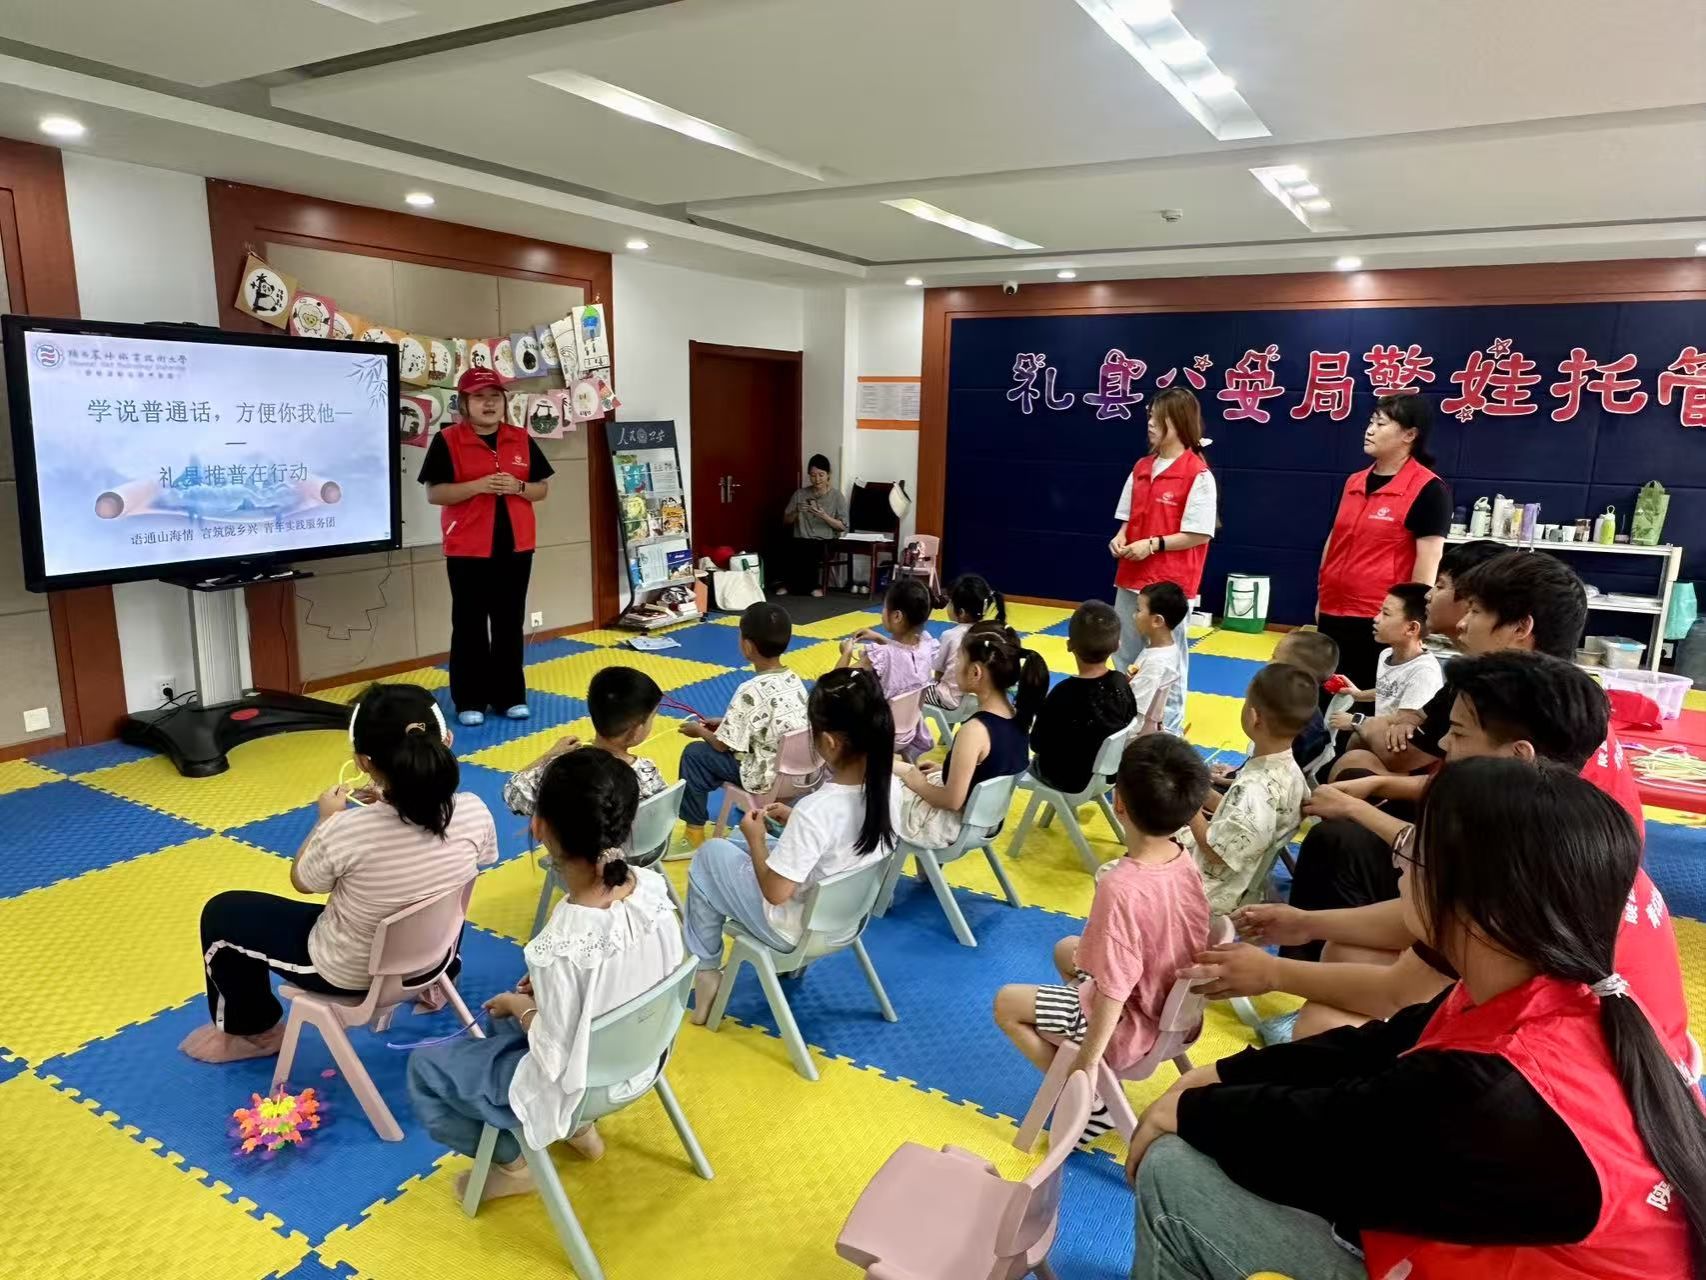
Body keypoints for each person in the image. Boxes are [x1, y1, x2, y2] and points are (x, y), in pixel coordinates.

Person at [1128, 760, 1704, 1280]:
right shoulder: (1554, 989)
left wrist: (1191, 1108)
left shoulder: (1495, 1094)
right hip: (1491, 1232)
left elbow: (1327, 1144)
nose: (1400, 868)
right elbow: (1375, 1047)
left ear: (1481, 908)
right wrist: (1218, 1075)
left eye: (1416, 855)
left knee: (1176, 1171)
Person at [1202, 651, 1691, 1067]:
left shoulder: (1514, 865)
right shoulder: (1561, 819)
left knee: (1324, 1030)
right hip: (1634, 1051)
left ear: (1519, 754)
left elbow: (1399, 989)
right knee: (1345, 956)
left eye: (1457, 733)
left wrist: (1273, 974)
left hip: (1581, 1074)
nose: (1441, 745)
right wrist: (1306, 923)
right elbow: (1427, 921)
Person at [407, 749, 684, 1200]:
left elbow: (555, 1057)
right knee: (506, 1019)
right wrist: (536, 1000)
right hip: (647, 1060)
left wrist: (522, 1006)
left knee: (426, 1069)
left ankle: (517, 1166)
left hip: (582, 1088)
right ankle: (582, 1132)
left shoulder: (561, 944)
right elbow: (630, 975)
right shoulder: (652, 891)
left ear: (539, 827)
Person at [183, 684, 497, 1063]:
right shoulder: (474, 810)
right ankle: (436, 983)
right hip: (435, 957)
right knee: (441, 884)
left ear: (363, 762)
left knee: (223, 913)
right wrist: (391, 800)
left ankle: (254, 1033)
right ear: (446, 740)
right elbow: (467, 856)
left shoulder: (347, 831)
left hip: (349, 972)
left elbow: (303, 881)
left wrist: (326, 820)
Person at [993, 734, 1210, 1146]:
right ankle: (1090, 1073)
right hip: (1177, 1013)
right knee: (1065, 949)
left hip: (1131, 1024)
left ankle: (1094, 1100)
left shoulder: (1120, 886)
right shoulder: (1183, 859)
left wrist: (1087, 1064)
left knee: (1006, 1004)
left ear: (1118, 802)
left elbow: (1112, 991)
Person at [684, 668, 902, 1020]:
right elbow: (841, 844)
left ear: (829, 742)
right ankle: (715, 965)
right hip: (847, 919)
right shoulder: (890, 787)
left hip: (793, 929)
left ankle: (707, 971)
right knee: (736, 841)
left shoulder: (817, 809)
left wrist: (758, 840)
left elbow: (775, 892)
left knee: (709, 856)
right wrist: (789, 824)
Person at [1336, 548, 1588, 779]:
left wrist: (1360, 722)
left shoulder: (1508, 701)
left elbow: (1408, 758)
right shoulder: (1479, 679)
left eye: (1474, 610)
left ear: (1520, 628)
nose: (1462, 623)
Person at [418, 366, 554, 726]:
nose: (489, 404)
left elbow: (541, 488)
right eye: (479, 397)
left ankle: (510, 696)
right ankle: (470, 700)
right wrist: (477, 486)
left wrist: (518, 487)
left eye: (495, 397)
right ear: (464, 403)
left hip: (516, 547)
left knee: (509, 623)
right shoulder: (448, 440)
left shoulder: (520, 438)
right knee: (470, 625)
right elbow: (435, 493)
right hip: (467, 548)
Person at [1314, 394, 1449, 693]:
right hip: (1333, 610)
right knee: (1328, 696)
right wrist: (1322, 596)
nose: (1370, 430)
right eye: (1371, 422)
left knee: (1366, 701)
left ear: (1409, 435)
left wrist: (1411, 618)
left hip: (1379, 618)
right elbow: (1335, 541)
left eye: (1381, 424)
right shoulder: (1353, 482)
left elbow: (1428, 562)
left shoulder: (1428, 489)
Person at [1109, 388, 1217, 723]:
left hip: (1170, 585)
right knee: (1124, 654)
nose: (1151, 423)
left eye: (1159, 417)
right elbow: (1126, 519)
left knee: (1167, 661)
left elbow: (1199, 533)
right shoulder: (1142, 467)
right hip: (1130, 577)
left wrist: (1153, 544)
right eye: (1150, 416)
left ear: (1179, 421)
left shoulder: (1198, 473)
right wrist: (1120, 537)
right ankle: (1127, 723)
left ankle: (1168, 730)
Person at [893, 622, 1047, 846]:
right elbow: (991, 770)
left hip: (952, 824)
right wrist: (947, 769)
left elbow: (951, 801)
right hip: (987, 820)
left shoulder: (975, 731)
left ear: (975, 672)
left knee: (882, 785)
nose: (954, 666)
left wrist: (913, 778)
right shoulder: (1017, 716)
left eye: (958, 660)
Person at [674, 602, 808, 854]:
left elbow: (721, 745)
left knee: (695, 755)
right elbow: (770, 723)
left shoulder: (749, 689)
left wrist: (700, 731)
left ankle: (693, 833)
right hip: (799, 777)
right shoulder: (794, 678)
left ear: (747, 646)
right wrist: (726, 723)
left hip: (765, 778)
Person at [1184, 664, 1313, 915]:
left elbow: (1216, 852)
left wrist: (1188, 808)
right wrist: (1200, 790)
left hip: (1213, 891)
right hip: (1246, 872)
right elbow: (1240, 811)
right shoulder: (1290, 771)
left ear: (1254, 717)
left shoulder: (1254, 788)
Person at [503, 666, 667, 816]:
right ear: (636, 731)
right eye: (652, 717)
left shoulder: (558, 772)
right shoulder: (647, 775)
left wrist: (550, 755)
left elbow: (512, 791)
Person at [1209, 630, 1339, 794]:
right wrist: (1237, 772)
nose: (1267, 661)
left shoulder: (1284, 722)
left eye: (1274, 657)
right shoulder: (1305, 712)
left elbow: (1265, 783)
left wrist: (1218, 786)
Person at [1029, 600, 1138, 793]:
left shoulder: (1062, 693)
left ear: (1069, 645)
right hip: (1110, 774)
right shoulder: (1120, 682)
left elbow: (1037, 743)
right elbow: (1131, 717)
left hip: (1067, 779)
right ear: (1117, 646)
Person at [1326, 582, 1442, 739]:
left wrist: (1357, 721)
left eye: (1386, 614)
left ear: (1412, 628)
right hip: (1380, 735)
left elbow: (1406, 718)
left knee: (1355, 741)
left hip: (1398, 743)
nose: (1376, 618)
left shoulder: (1423, 672)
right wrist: (1358, 695)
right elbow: (1391, 690)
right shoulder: (1386, 654)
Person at [841, 577, 938, 755]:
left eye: (884, 608)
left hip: (879, 735)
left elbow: (836, 682)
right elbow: (904, 652)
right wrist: (880, 638)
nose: (882, 612)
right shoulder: (927, 645)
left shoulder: (880, 656)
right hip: (909, 729)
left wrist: (846, 653)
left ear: (897, 616)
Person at [925, 573, 1004, 709]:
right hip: (974, 698)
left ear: (961, 612)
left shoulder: (950, 635)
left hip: (948, 698)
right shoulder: (987, 633)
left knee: (913, 689)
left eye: (950, 602)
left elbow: (937, 669)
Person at [778, 453, 849, 597]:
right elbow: (786, 521)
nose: (817, 479)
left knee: (809, 547)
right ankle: (790, 585)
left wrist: (824, 516)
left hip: (826, 540)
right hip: (801, 538)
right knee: (785, 543)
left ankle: (806, 587)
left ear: (828, 475)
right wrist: (796, 511)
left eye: (821, 475)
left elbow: (842, 526)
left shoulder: (837, 496)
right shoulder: (800, 494)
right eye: (813, 475)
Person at [1126, 582, 1188, 735]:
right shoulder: (1164, 649)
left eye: (1138, 610)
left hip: (1139, 737)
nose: (1134, 615)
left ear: (1157, 621)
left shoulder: (1156, 662)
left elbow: (1137, 714)